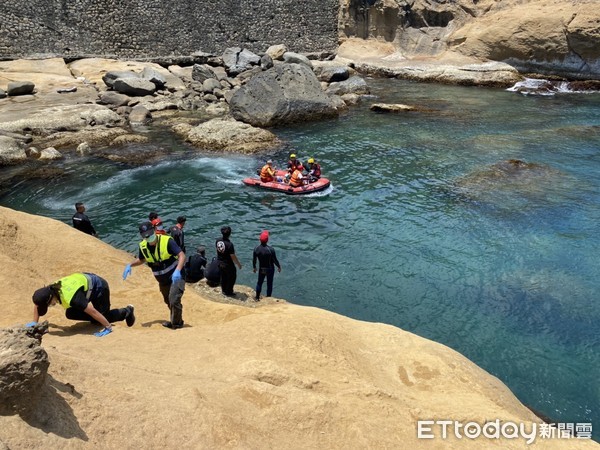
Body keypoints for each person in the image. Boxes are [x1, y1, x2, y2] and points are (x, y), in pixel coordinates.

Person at [123, 221, 186, 330]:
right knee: (168, 301)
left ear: (154, 230)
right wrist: (130, 265)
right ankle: (175, 319)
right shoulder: (143, 246)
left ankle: (177, 324)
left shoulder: (167, 241)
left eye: (149, 233)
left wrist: (178, 270)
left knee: (174, 299)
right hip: (163, 280)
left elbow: (181, 255)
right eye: (145, 235)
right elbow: (142, 259)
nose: (148, 237)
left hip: (176, 276)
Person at [29, 273, 135, 337]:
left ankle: (127, 311)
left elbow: (91, 311)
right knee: (70, 313)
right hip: (84, 286)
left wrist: (108, 327)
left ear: (52, 298)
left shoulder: (72, 297)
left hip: (99, 288)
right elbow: (38, 303)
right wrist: (34, 322)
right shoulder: (49, 290)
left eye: (50, 305)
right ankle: (100, 319)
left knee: (102, 318)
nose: (51, 306)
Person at [252, 230, 281, 301]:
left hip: (262, 269)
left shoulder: (256, 249)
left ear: (260, 240)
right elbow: (275, 260)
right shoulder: (271, 249)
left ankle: (257, 297)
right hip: (270, 269)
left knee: (259, 283)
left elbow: (254, 260)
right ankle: (268, 298)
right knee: (269, 284)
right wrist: (279, 267)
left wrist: (254, 267)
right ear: (267, 240)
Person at [215, 226, 242, 296]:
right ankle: (229, 292)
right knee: (232, 277)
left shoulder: (218, 240)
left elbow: (217, 250)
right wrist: (238, 264)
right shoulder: (230, 244)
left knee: (223, 276)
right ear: (230, 234)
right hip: (227, 264)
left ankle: (223, 290)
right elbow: (233, 256)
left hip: (220, 262)